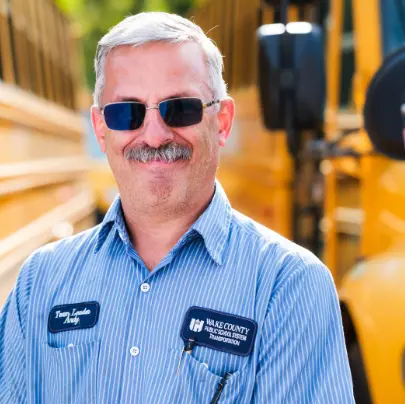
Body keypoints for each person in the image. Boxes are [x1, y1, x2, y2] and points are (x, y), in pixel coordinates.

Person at [0, 12, 354, 404]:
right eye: (127, 113)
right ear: (101, 129)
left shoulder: (289, 287)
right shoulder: (40, 282)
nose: (153, 135)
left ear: (221, 121)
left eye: (180, 108)